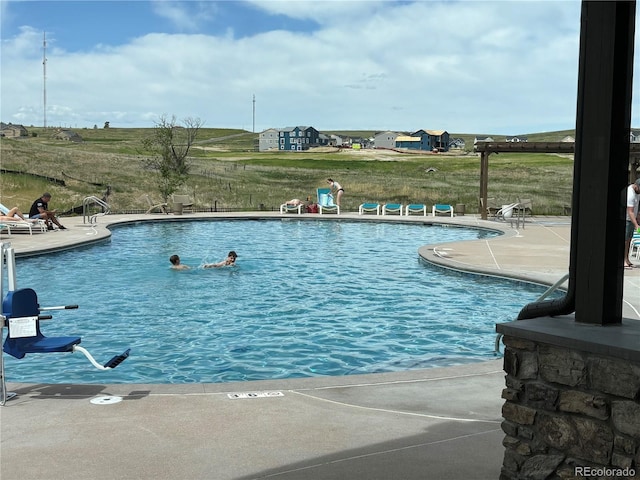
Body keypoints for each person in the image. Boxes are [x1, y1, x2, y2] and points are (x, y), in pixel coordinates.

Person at [624, 178, 640, 268]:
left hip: (632, 220)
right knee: (625, 240)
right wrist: (636, 225)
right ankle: (623, 260)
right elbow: (630, 211)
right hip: (627, 219)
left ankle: (627, 259)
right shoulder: (630, 193)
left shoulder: (638, 193)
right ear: (636, 186)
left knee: (629, 240)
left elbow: (637, 208)